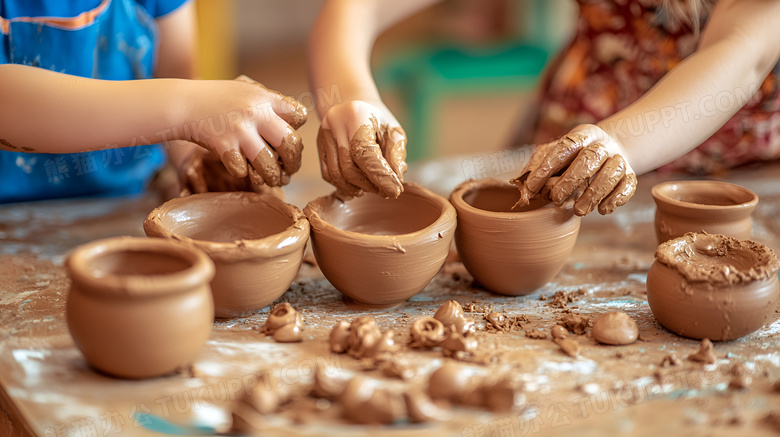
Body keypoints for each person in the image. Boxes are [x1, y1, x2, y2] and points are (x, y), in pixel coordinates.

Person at [307, 0, 780, 215]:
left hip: (737, 160)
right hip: (578, 122)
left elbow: (741, 56)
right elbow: (356, 8)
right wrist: (352, 97)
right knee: (514, 223)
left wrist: (618, 144)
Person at [0, 0, 307, 203]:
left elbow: (176, 77)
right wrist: (189, 106)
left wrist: (195, 158)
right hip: (11, 213)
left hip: (131, 196)